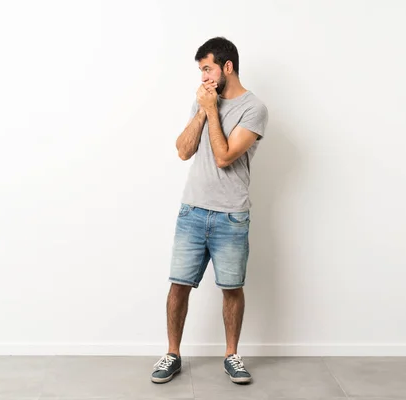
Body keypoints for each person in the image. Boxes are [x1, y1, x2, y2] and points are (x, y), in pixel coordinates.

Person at [151, 37, 268, 385]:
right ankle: (172, 353)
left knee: (232, 288)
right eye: (201, 69)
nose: (202, 76)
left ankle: (232, 355)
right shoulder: (203, 100)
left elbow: (225, 155)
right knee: (178, 286)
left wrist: (213, 110)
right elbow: (183, 151)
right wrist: (203, 109)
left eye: (207, 68)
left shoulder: (254, 109)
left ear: (226, 68)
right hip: (193, 212)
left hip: (231, 215)